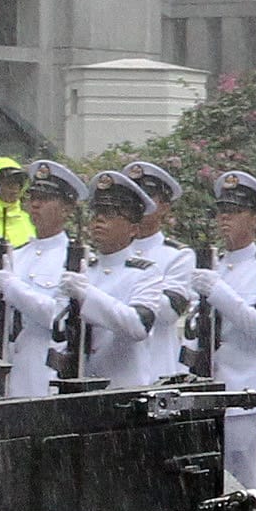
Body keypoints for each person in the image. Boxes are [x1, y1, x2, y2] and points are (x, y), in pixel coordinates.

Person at [193, 170, 256, 496]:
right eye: (222, 212)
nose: (225, 219)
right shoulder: (213, 264)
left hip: (242, 391)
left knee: (242, 486)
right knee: (206, 484)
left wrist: (219, 292)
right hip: (206, 390)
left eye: (234, 212)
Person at [70, 164, 200, 390]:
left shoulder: (164, 262)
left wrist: (90, 295)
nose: (99, 221)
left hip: (138, 379)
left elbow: (153, 319)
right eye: (97, 213)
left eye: (109, 214)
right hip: (85, 382)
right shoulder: (87, 267)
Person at [0, 160, 87, 397]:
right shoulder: (17, 254)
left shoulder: (76, 260)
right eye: (33, 197)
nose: (35, 204)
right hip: (8, 371)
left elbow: (59, 317)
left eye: (44, 199)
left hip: (44, 374)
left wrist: (12, 288)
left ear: (67, 208)